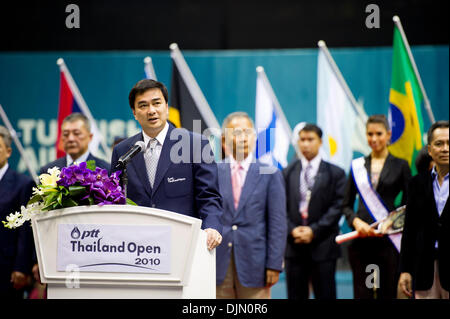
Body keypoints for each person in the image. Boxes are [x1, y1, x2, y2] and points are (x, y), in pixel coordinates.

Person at [110, 79, 223, 250]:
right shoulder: (123, 151)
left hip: (182, 244)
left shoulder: (195, 144)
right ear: (134, 112)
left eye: (157, 103)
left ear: (166, 107)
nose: (152, 111)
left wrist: (211, 226)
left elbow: (209, 196)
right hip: (136, 247)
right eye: (143, 106)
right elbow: (113, 199)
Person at [215, 112, 286, 299]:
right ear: (224, 139)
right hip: (218, 263)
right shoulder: (212, 172)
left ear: (254, 137)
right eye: (237, 133)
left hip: (256, 263)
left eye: (248, 132)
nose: (243, 138)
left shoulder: (270, 174)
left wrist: (274, 263)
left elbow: (277, 223)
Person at [341, 114, 411, 299]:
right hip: (362, 242)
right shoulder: (357, 166)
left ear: (388, 135)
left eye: (378, 134)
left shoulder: (401, 166)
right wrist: (356, 222)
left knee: (386, 293)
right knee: (363, 293)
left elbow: (409, 205)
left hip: (389, 243)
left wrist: (394, 225)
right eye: (369, 134)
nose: (373, 139)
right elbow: (346, 205)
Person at [283, 123, 346, 299]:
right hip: (294, 246)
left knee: (325, 295)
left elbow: (338, 206)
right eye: (302, 140)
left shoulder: (336, 173)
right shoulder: (287, 172)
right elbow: (280, 207)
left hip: (323, 246)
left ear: (320, 142)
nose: (305, 144)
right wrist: (292, 229)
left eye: (310, 139)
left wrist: (314, 230)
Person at [398, 120, 449, 299]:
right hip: (423, 269)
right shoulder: (416, 183)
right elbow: (409, 230)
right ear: (429, 150)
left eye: (449, 143)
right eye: (439, 143)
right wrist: (405, 270)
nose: (445, 149)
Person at [0, 125, 35, 298]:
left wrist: (21, 267)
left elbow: (25, 230)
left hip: (7, 268)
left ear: (8, 152)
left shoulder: (22, 183)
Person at [39, 112, 110, 174]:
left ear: (90, 137)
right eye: (66, 134)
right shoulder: (48, 171)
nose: (70, 139)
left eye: (76, 133)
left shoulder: (104, 170)